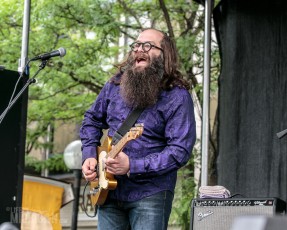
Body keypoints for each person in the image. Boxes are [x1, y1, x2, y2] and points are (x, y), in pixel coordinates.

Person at [80, 28, 196, 230]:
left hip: (151, 194)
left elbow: (180, 151)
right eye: (136, 45)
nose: (139, 49)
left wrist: (133, 166)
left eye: (148, 45)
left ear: (164, 54)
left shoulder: (177, 96)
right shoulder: (115, 85)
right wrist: (89, 154)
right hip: (109, 192)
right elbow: (91, 119)